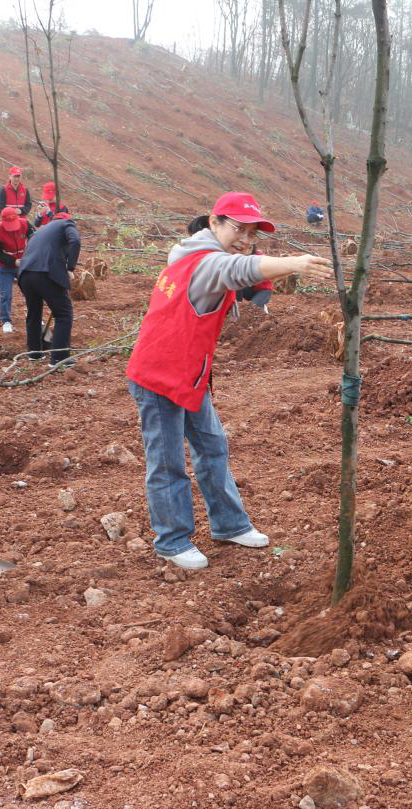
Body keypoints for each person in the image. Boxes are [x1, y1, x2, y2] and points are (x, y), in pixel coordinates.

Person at [126, 191, 333, 570]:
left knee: (212, 446)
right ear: (214, 223)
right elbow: (237, 270)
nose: (245, 239)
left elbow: (240, 275)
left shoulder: (197, 255)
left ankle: (229, 524)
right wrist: (296, 263)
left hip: (189, 373)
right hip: (158, 375)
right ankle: (172, 541)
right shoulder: (206, 262)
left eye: (252, 234)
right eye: (239, 228)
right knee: (167, 461)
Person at [17, 210, 79, 365]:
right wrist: (70, 268)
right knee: (63, 314)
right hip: (45, 273)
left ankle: (34, 353)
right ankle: (59, 358)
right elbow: (75, 241)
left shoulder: (41, 230)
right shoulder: (67, 223)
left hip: (25, 274)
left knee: (34, 313)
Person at [0, 206, 33, 334]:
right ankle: (6, 321)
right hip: (5, 266)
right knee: (6, 294)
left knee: (31, 291)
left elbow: (35, 238)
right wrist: (12, 261)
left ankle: (33, 315)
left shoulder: (25, 224)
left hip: (24, 264)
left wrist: (29, 256)